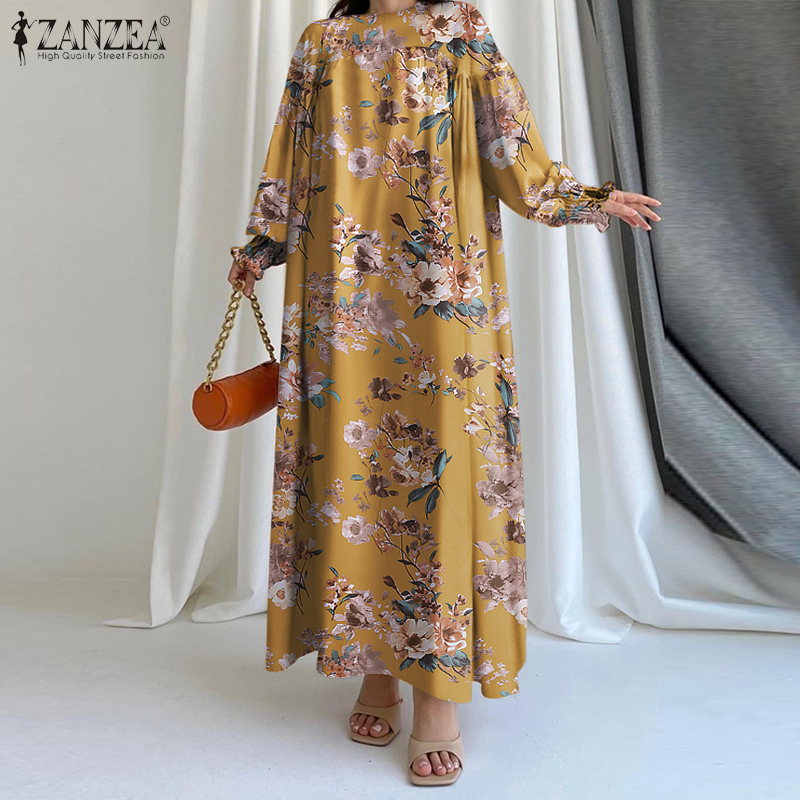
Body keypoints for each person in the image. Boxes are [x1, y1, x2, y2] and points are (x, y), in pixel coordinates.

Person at [226, 0, 660, 786]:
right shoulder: (322, 43)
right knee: (357, 483)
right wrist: (262, 245)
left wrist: (588, 199)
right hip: (341, 294)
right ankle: (374, 667)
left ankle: (437, 694)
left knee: (442, 479)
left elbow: (509, 147)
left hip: (441, 293)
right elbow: (290, 153)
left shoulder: (461, 29)